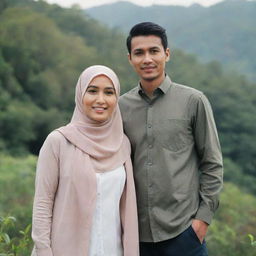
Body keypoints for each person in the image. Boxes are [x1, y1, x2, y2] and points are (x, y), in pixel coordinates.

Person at [119, 22, 223, 256]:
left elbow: (212, 164)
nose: (147, 59)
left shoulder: (193, 101)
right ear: (130, 59)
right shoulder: (120, 107)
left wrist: (202, 221)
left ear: (166, 54)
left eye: (153, 51)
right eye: (139, 53)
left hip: (184, 234)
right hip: (136, 237)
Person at [31, 65, 139, 256]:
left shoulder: (123, 144)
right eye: (92, 91)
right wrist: (43, 250)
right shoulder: (58, 142)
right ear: (80, 95)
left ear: (116, 98)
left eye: (109, 92)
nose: (101, 100)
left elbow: (125, 207)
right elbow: (42, 204)